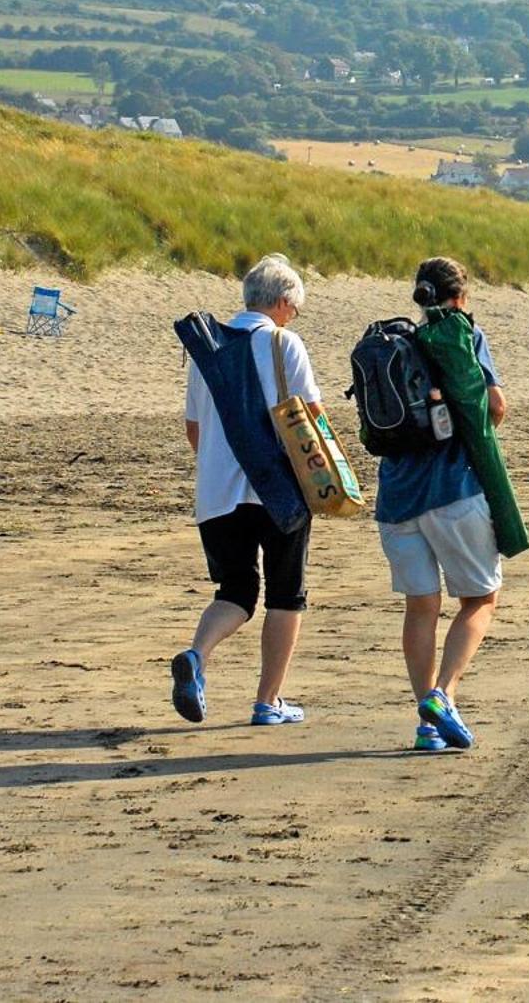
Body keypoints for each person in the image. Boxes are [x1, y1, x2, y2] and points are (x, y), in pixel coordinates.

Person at [172, 254, 325, 728]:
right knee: (286, 595)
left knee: (235, 591)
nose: (293, 316)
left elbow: (195, 430)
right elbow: (312, 418)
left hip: (216, 494)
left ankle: (197, 657)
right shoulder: (285, 343)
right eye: (294, 308)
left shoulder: (209, 348)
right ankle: (268, 701)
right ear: (282, 303)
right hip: (279, 490)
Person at [376, 257, 508, 753]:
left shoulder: (395, 343)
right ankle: (443, 695)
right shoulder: (463, 335)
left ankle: (427, 726)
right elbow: (494, 406)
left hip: (395, 497)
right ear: (461, 297)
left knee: (421, 607)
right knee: (480, 599)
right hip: (452, 490)